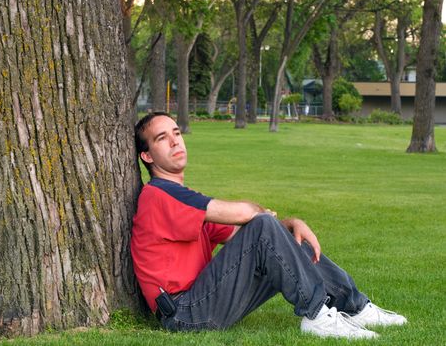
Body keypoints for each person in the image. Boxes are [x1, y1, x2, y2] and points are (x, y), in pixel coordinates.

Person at [131, 112, 406, 339]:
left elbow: (245, 236)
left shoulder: (183, 198)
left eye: (176, 133)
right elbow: (246, 215)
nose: (175, 142)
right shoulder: (158, 195)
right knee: (264, 225)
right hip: (184, 313)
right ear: (148, 156)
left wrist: (290, 225)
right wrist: (267, 218)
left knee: (287, 236)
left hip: (204, 301)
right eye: (162, 138)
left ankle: (356, 306)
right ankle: (316, 316)